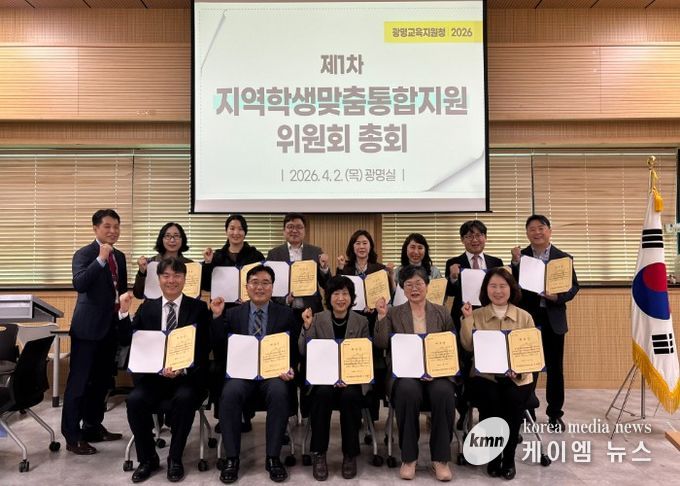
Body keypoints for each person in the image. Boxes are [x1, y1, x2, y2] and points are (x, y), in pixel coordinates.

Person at [118, 258, 212, 483]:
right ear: (159, 279)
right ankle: (148, 459)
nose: (172, 281)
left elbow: (204, 346)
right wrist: (123, 313)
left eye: (177, 275)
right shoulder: (147, 308)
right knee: (135, 401)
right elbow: (128, 340)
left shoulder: (198, 308)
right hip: (153, 379)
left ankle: (175, 458)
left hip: (186, 378)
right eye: (166, 276)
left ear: (185, 279)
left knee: (185, 398)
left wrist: (183, 368)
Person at [210, 265, 297, 483]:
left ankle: (273, 458)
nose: (260, 287)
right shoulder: (232, 314)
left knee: (279, 391)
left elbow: (293, 350)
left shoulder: (286, 314)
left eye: (265, 283)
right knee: (230, 392)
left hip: (272, 374)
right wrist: (217, 317)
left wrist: (290, 368)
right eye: (255, 282)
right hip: (241, 374)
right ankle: (232, 459)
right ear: (246, 287)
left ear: (272, 287)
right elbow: (220, 347)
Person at [374, 265, 456, 482]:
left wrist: (437, 369)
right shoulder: (394, 313)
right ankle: (409, 458)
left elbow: (451, 346)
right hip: (405, 373)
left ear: (427, 285)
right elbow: (381, 344)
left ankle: (441, 459)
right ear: (403, 288)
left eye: (419, 283)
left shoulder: (442, 312)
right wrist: (381, 316)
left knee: (444, 392)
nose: (414, 288)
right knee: (407, 391)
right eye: (408, 284)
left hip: (436, 373)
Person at [61, 209, 127, 455]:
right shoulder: (85, 254)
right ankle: (72, 436)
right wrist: (100, 259)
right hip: (87, 330)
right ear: (95, 228)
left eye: (116, 227)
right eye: (107, 226)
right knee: (79, 385)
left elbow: (119, 290)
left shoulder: (119, 256)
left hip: (110, 328)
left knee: (102, 383)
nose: (113, 231)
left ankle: (92, 427)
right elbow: (80, 284)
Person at [460, 267, 535, 480]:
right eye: (493, 286)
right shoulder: (477, 315)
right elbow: (467, 346)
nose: (498, 291)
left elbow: (531, 354)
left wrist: (518, 371)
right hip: (486, 376)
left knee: (513, 402)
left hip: (517, 377)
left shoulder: (525, 317)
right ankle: (493, 456)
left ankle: (509, 458)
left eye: (503, 286)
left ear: (511, 289)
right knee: (491, 402)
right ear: (486, 289)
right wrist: (467, 319)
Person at [511, 214, 579, 432]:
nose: (537, 232)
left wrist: (557, 297)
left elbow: (574, 287)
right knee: (526, 367)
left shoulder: (563, 258)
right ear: (527, 233)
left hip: (553, 320)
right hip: (528, 319)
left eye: (541, 228)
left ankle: (555, 414)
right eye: (532, 229)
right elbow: (513, 286)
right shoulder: (521, 256)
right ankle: (526, 412)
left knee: (555, 369)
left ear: (549, 231)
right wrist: (515, 263)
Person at [298, 276, 369, 481]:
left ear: (351, 297)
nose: (340, 298)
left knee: (350, 396)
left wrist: (349, 375)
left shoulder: (361, 321)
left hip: (351, 378)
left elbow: (364, 355)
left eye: (345, 293)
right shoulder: (316, 319)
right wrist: (307, 327)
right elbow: (304, 351)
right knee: (322, 394)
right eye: (336, 293)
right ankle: (319, 453)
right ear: (329, 297)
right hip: (323, 379)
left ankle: (350, 454)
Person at [267, 213, 331, 419]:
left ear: (305, 230)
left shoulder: (315, 252)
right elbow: (269, 287)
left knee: (311, 360)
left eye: (299, 227)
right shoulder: (274, 254)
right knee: (288, 361)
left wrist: (324, 268)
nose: (294, 230)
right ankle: (290, 411)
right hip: (286, 314)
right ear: (284, 230)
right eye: (290, 226)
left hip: (311, 314)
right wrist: (284, 299)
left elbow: (327, 285)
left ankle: (308, 410)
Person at [444, 220, 504, 426]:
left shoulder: (496, 261)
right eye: (469, 236)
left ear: (485, 238)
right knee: (463, 366)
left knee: (489, 364)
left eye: (478, 235)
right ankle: (463, 413)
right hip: (464, 319)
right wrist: (453, 278)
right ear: (462, 240)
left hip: (491, 320)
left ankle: (492, 410)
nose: (474, 239)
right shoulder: (454, 262)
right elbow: (449, 292)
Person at [335, 229, 392, 422]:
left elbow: (387, 296)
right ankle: (354, 412)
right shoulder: (346, 269)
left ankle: (371, 416)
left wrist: (376, 305)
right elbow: (337, 293)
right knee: (353, 361)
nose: (361, 246)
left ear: (370, 246)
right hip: (351, 321)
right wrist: (339, 269)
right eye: (358, 243)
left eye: (365, 243)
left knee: (371, 365)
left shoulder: (379, 269)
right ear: (353, 247)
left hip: (374, 320)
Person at [201, 214, 265, 292]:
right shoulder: (217, 256)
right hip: (222, 299)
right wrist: (208, 263)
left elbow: (264, 282)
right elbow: (206, 286)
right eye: (232, 228)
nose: (236, 232)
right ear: (226, 231)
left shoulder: (256, 256)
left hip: (249, 299)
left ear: (245, 232)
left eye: (240, 229)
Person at [132, 222, 193, 299]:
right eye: (167, 236)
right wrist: (142, 272)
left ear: (182, 239)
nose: (172, 240)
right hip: (154, 305)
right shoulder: (150, 263)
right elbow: (138, 294)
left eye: (176, 236)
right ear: (162, 239)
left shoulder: (190, 265)